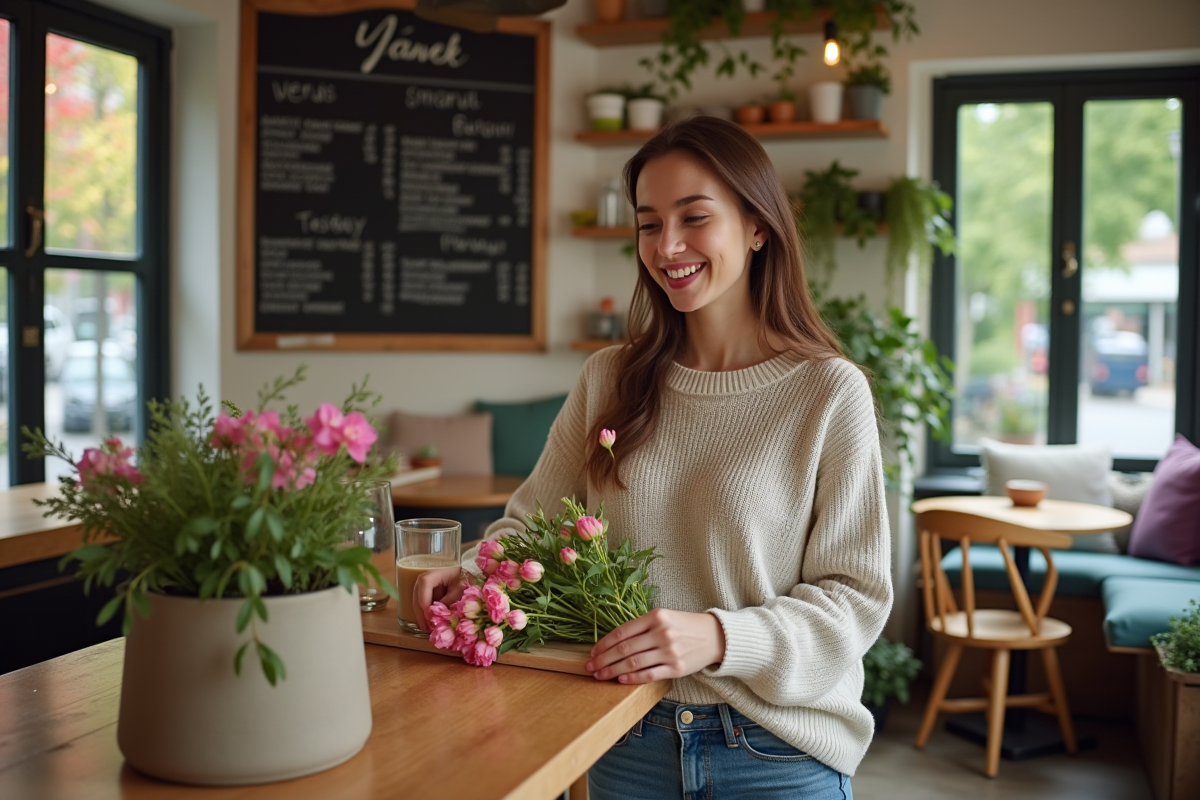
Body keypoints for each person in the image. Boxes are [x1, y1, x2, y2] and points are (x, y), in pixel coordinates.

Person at [416, 116, 893, 799]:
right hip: (625, 733)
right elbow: (532, 528)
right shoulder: (609, 378)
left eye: (694, 217)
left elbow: (856, 599)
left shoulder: (827, 391)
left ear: (758, 227)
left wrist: (719, 638)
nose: (667, 246)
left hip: (774, 751)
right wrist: (470, 575)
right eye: (648, 223)